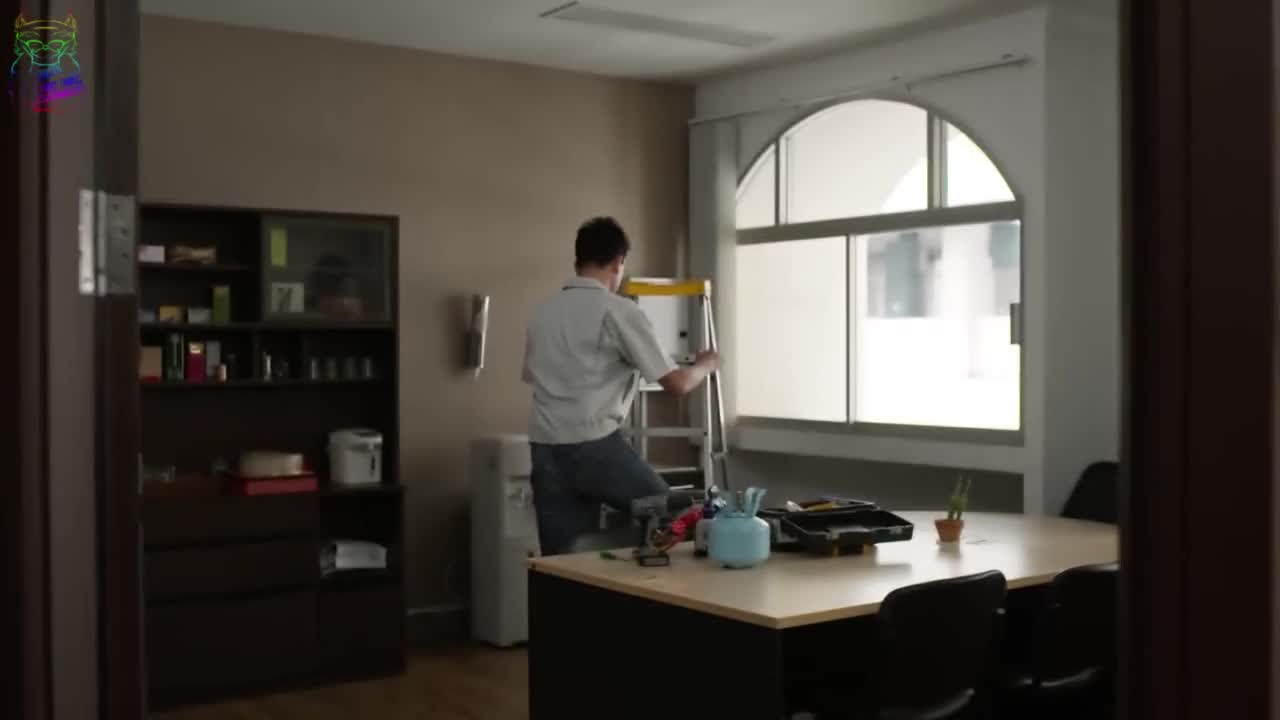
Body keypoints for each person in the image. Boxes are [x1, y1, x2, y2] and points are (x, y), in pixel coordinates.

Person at [522, 217, 720, 555]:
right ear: (618, 262)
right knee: (678, 517)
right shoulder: (618, 311)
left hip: (544, 450)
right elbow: (677, 384)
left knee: (563, 562)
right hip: (595, 447)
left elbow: (534, 375)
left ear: (577, 262)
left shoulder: (542, 313)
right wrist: (706, 364)